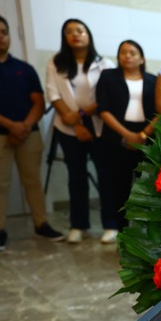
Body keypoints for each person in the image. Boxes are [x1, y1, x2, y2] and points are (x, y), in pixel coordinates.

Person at [45, 18, 115, 244]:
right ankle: (78, 225)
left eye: (80, 30)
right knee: (76, 177)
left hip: (98, 125)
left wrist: (82, 115)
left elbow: (107, 95)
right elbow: (53, 94)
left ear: (88, 35)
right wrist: (75, 123)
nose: (75, 34)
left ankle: (110, 225)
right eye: (69, 31)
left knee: (106, 176)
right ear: (64, 37)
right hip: (67, 126)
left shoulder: (104, 63)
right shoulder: (55, 63)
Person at [0, 15, 64, 250]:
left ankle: (41, 223)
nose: (1, 37)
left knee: (33, 181)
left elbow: (38, 101)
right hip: (1, 135)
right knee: (0, 184)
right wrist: (11, 125)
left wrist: (24, 126)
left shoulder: (24, 69)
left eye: (4, 32)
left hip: (29, 134)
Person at [96, 40, 158, 239]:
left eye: (132, 52)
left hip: (146, 135)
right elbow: (103, 109)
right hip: (116, 136)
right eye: (123, 52)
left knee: (145, 186)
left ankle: (143, 231)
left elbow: (160, 110)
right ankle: (119, 229)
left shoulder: (153, 80)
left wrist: (143, 134)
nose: (127, 56)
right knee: (118, 186)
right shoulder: (108, 76)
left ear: (142, 58)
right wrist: (127, 135)